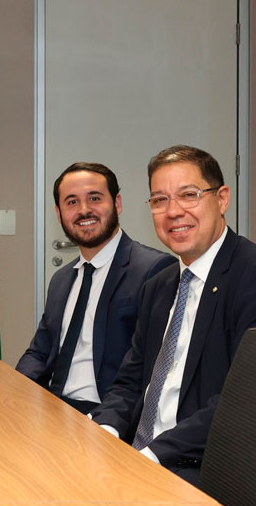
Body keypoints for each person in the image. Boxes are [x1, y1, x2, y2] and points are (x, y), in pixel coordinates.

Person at [91, 145, 256, 484]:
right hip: (139, 455)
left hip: (203, 467)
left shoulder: (251, 274)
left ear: (223, 198)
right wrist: (105, 431)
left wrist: (152, 456)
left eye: (189, 195)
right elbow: (129, 379)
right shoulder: (161, 283)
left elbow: (240, 401)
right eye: (159, 200)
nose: (173, 212)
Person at [16, 163, 175, 413]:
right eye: (71, 202)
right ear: (59, 214)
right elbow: (38, 352)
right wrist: (16, 393)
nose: (84, 210)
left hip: (107, 413)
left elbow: (150, 370)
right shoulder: (61, 279)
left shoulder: (155, 270)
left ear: (117, 203)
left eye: (94, 198)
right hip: (52, 406)